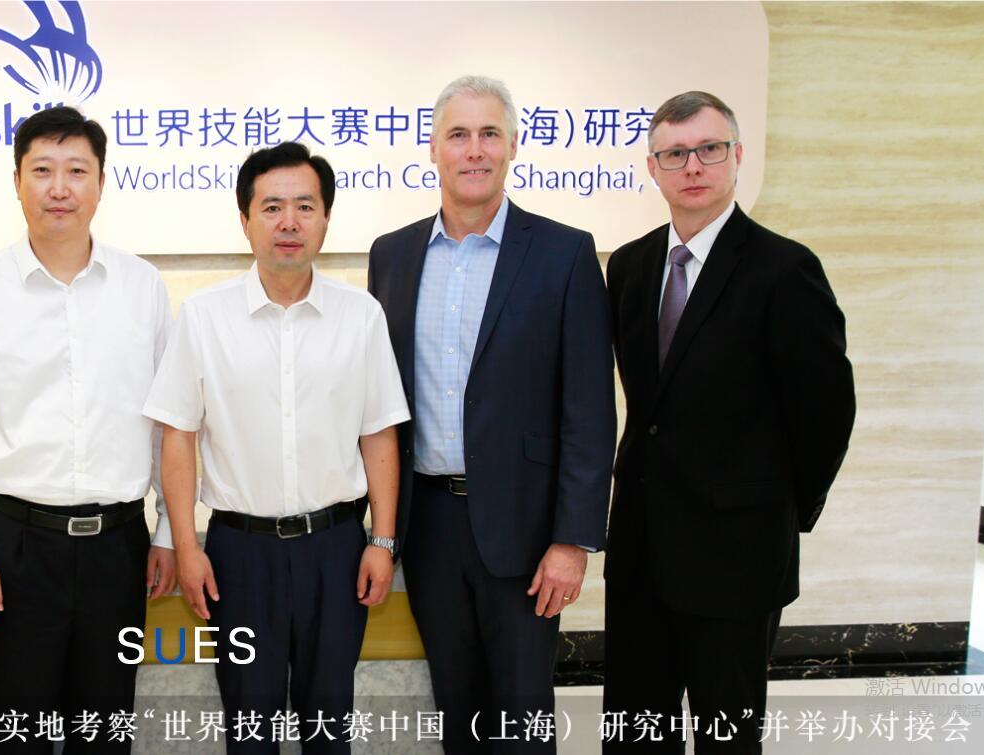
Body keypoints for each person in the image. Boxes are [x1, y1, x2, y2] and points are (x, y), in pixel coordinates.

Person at [365, 75, 616, 754]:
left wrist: (573, 539)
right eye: (458, 135)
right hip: (428, 525)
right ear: (432, 149)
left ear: (512, 146)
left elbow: (590, 409)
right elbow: (380, 400)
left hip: (526, 531)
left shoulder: (564, 253)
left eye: (489, 134)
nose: (473, 150)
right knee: (459, 713)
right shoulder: (392, 255)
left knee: (523, 719)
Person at [600, 90, 855, 754]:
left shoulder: (784, 269)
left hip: (737, 554)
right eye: (675, 154)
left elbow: (826, 411)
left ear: (737, 156)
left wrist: (782, 510)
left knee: (727, 735)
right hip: (641, 547)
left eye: (709, 149)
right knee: (634, 730)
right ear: (653, 168)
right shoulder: (629, 266)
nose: (693, 166)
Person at [146, 142, 407, 754]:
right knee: (250, 728)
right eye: (272, 208)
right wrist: (186, 546)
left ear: (325, 219)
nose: (289, 222)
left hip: (336, 550)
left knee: (328, 727)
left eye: (304, 207)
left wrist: (382, 541)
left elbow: (378, 434)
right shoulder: (204, 317)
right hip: (240, 556)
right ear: (245, 220)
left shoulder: (361, 315)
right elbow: (178, 436)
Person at [0, 106, 176, 753]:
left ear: (101, 182)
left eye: (77, 170)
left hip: (119, 547)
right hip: (17, 547)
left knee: (105, 732)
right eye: (42, 170)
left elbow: (167, 425)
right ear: (17, 181)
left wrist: (167, 531)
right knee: (19, 736)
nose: (59, 188)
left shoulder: (142, 286)